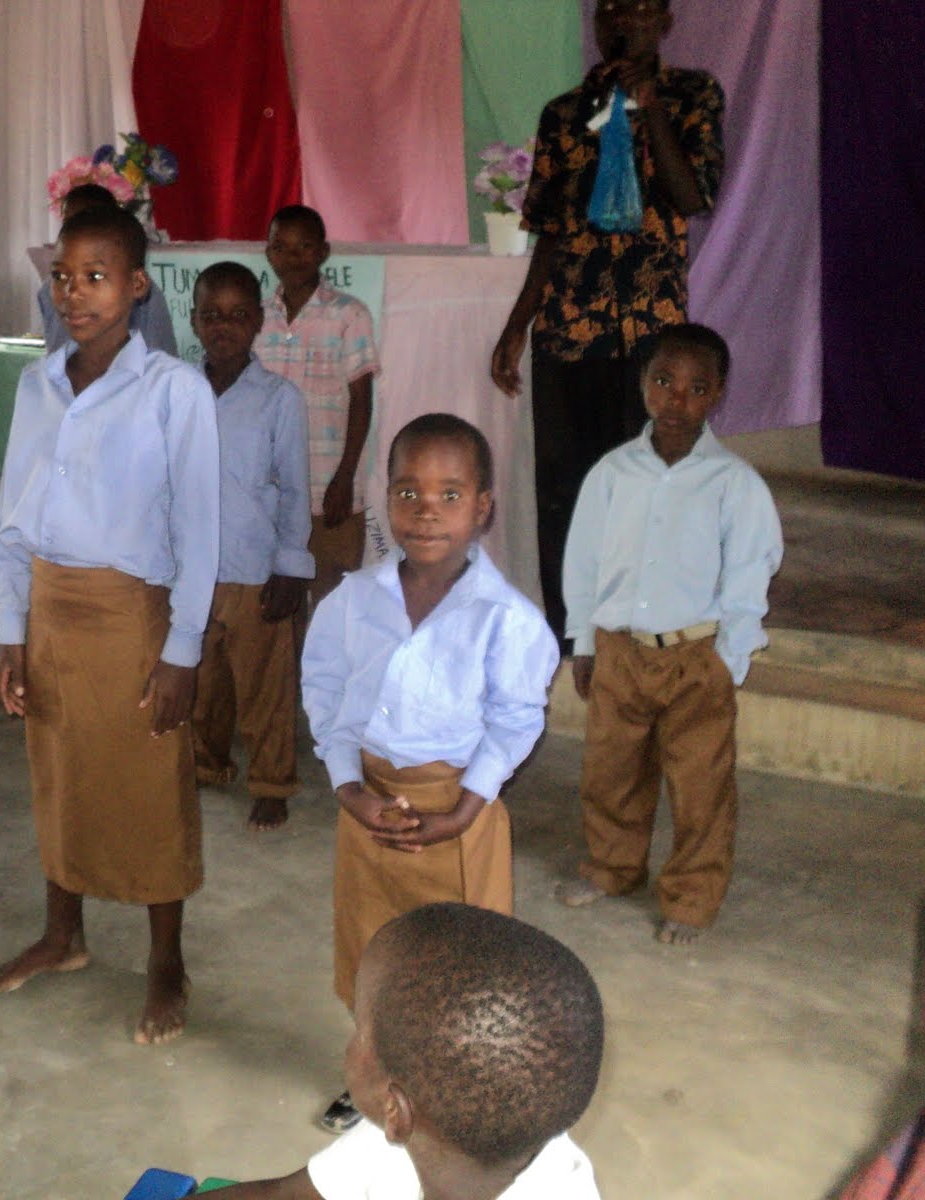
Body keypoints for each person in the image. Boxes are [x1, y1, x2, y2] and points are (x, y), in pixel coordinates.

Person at [0, 204, 219, 1047]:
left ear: (137, 285)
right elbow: (14, 516)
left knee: (148, 786)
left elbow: (198, 528)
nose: (74, 294)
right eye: (62, 277)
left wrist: (182, 648)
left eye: (95, 276)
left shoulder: (174, 391)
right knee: (60, 777)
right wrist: (12, 629)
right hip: (50, 609)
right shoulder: (37, 386)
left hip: (128, 616)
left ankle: (165, 960)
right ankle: (63, 934)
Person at [302, 413, 559, 1131]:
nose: (426, 511)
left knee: (458, 964)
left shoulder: (506, 619)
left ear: (484, 507)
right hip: (370, 802)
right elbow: (327, 693)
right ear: (385, 498)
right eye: (408, 491)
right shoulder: (353, 601)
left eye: (450, 494)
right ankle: (377, 1076)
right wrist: (348, 787)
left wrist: (465, 811)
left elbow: (514, 721)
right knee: (372, 951)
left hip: (456, 809)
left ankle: (447, 1093)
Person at [490, 0, 724, 639]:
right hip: (570, 328)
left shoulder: (694, 95)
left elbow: (692, 196)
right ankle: (571, 634)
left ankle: (646, 628)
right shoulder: (565, 113)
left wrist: (650, 108)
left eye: (642, 8)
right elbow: (550, 229)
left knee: (649, 486)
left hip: (653, 338)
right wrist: (517, 325)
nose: (625, 20)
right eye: (612, 9)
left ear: (665, 21)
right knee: (566, 490)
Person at [558, 324, 781, 946]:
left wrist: (729, 659)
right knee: (611, 772)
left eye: (696, 387)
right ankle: (612, 867)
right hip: (619, 649)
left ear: (718, 394)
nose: (677, 399)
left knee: (700, 785)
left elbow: (750, 571)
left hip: (696, 656)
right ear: (643, 384)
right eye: (664, 381)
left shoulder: (735, 482)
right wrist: (584, 642)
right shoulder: (612, 473)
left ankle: (691, 897)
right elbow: (583, 561)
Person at [205, 904, 604, 1200]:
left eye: (360, 1028)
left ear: (394, 1109)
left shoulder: (419, 1129)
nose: (350, 1040)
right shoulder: (410, 1139)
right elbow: (291, 1195)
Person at [188, 261, 313, 831]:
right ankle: (205, 763)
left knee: (265, 686)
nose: (224, 326)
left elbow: (294, 488)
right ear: (194, 321)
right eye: (211, 315)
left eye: (238, 315)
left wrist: (290, 567)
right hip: (191, 571)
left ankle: (271, 781)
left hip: (255, 568)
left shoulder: (279, 399)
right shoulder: (178, 391)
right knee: (200, 680)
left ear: (259, 322)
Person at [254, 204, 379, 610]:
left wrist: (345, 477)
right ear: (269, 254)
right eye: (282, 248)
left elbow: (361, 400)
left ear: (323, 252)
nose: (293, 258)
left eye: (304, 247)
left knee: (333, 605)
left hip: (330, 493)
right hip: (271, 497)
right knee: (277, 612)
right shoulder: (257, 318)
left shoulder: (349, 314)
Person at [36, 183, 178, 356]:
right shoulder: (49, 289)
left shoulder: (141, 292)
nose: (72, 292)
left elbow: (161, 347)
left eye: (94, 277)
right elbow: (55, 345)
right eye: (70, 222)